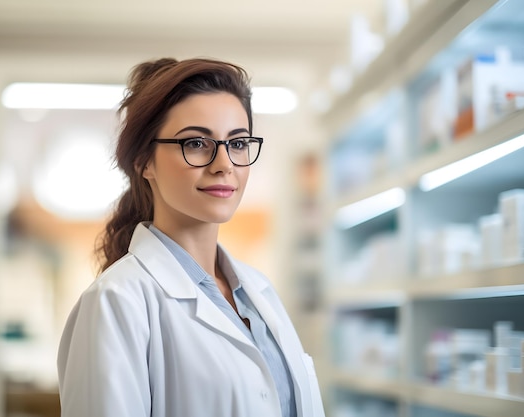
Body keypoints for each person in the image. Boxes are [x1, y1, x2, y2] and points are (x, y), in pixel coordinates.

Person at [57, 57, 326, 417]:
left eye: (238, 142)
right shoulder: (118, 301)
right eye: (197, 143)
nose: (224, 164)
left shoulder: (259, 293)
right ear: (143, 162)